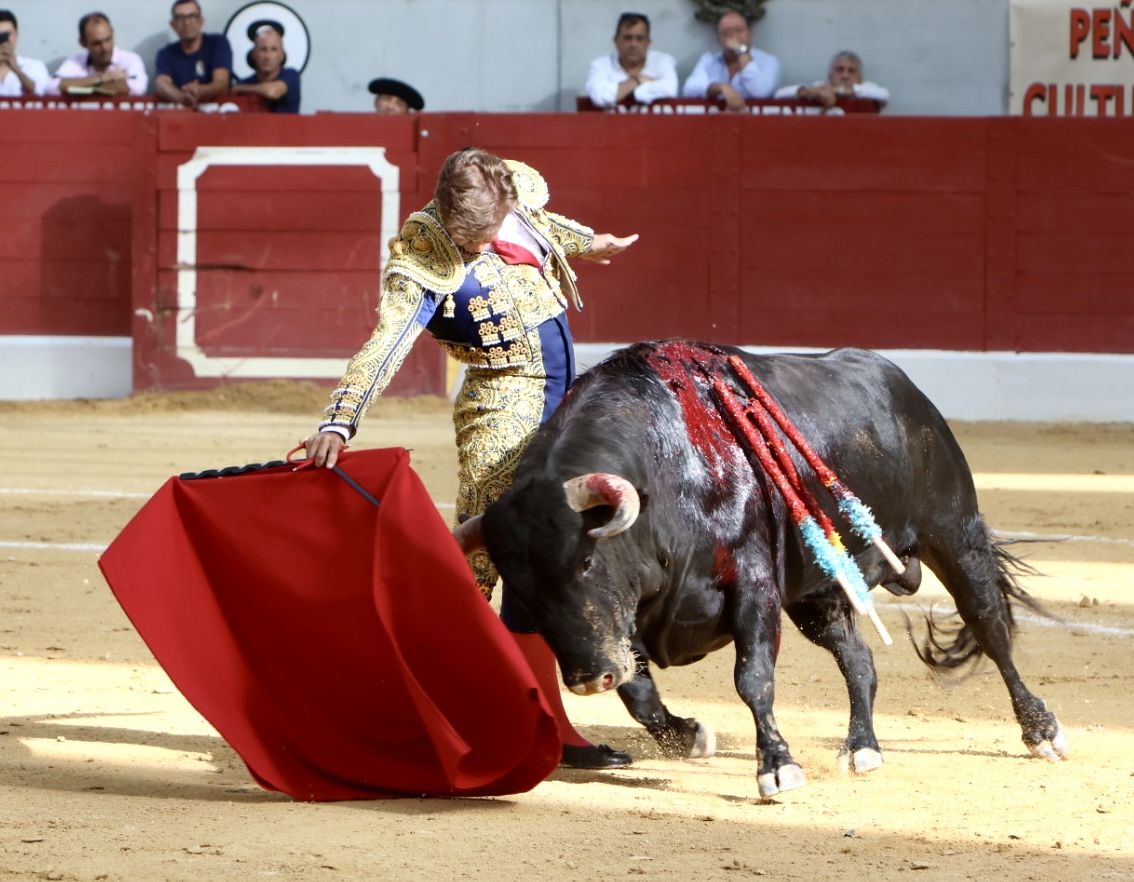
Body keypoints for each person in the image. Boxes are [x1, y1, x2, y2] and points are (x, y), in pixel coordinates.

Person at [300, 148, 640, 770]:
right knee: (482, 568)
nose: (483, 245)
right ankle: (476, 710)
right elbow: (388, 342)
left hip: (569, 404)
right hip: (501, 413)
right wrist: (340, 418)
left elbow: (542, 224)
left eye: (491, 229)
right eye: (471, 237)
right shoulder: (421, 258)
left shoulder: (512, 201)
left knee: (572, 547)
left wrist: (591, 244)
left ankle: (549, 711)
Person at [682, 9, 779, 111]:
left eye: (739, 30)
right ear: (719, 40)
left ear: (750, 34)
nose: (733, 36)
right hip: (715, 122)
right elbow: (690, 89)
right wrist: (721, 88)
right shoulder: (708, 60)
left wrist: (741, 51)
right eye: (726, 33)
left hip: (757, 123)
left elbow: (760, 92)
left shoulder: (768, 61)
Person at [585, 11, 677, 108]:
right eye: (628, 38)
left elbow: (670, 89)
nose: (633, 44)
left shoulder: (662, 61)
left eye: (640, 38)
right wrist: (637, 80)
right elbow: (599, 97)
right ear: (615, 41)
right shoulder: (600, 65)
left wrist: (625, 91)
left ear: (648, 43)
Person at [153, 0, 232, 109]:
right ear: (173, 24)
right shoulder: (166, 53)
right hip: (181, 116)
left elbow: (221, 82)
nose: (186, 23)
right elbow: (161, 83)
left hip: (218, 113)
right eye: (180, 18)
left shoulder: (217, 43)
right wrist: (182, 98)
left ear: (201, 21)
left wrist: (200, 90)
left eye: (192, 16)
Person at [49, 12, 148, 97]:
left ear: (112, 33)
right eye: (97, 43)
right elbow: (52, 87)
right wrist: (102, 78)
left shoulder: (130, 59)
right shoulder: (76, 60)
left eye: (108, 40)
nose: (105, 48)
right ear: (82, 43)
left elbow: (138, 88)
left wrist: (79, 86)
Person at [774, 50, 889, 110]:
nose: (845, 75)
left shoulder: (867, 89)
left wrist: (838, 91)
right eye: (840, 70)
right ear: (830, 75)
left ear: (860, 77)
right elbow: (779, 95)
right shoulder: (820, 87)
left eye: (851, 71)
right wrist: (806, 92)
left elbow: (884, 95)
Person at [231, 21, 299, 113]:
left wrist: (239, 88)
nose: (268, 56)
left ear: (282, 55)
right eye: (263, 49)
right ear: (253, 54)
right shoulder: (245, 82)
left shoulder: (291, 75)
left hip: (285, 127)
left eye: (273, 50)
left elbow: (272, 91)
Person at [0, 9, 49, 97]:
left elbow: (39, 93)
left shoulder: (34, 67)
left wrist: (17, 70)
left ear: (16, 35)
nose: (3, 41)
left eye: (6, 35)